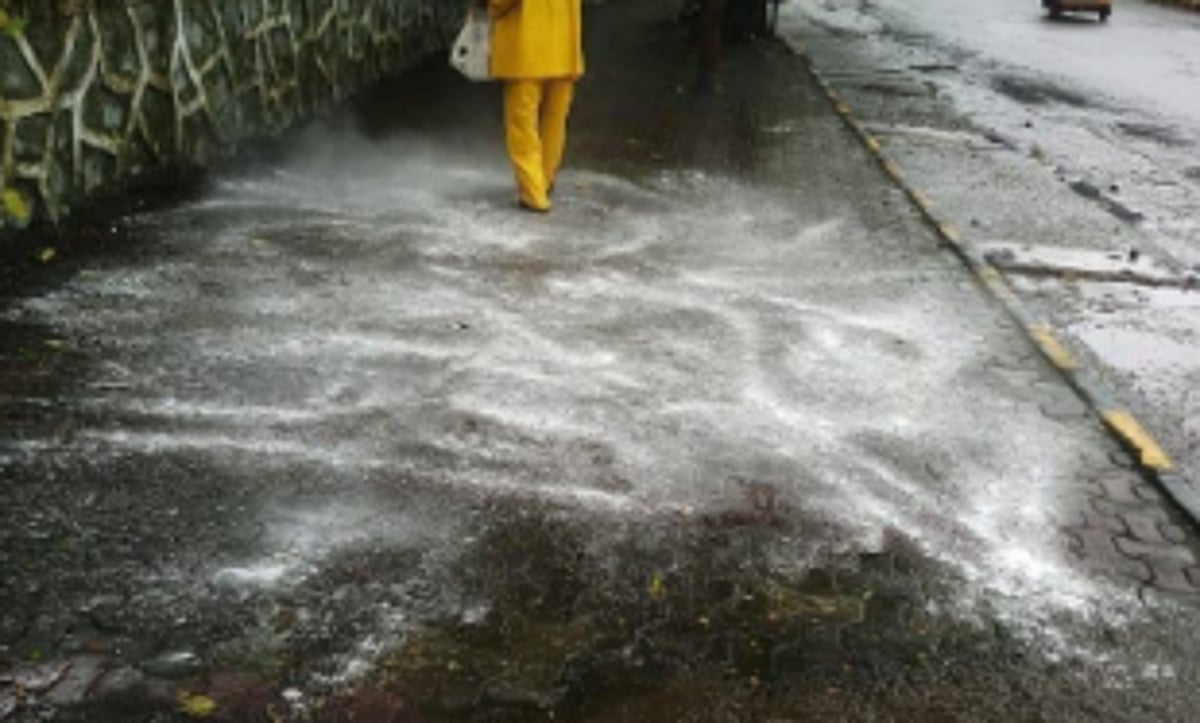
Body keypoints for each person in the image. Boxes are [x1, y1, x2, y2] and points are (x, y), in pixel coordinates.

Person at [489, 0, 585, 212]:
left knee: (522, 124)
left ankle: (533, 193)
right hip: (564, 49)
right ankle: (544, 181)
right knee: (554, 122)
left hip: (527, 48)